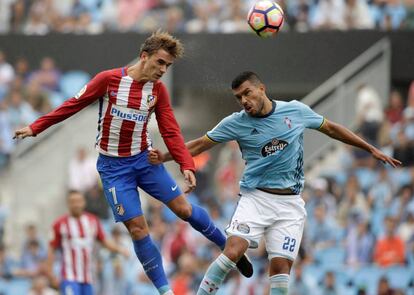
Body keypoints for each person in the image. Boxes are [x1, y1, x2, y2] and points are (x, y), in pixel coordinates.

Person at [14, 31, 251, 294]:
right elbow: (73, 104)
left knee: (184, 210)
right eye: (160, 62)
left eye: (168, 66)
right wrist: (36, 127)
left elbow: (170, 130)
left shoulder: (158, 91)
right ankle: (165, 291)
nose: (163, 70)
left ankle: (229, 249)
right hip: (114, 170)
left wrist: (187, 165)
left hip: (144, 161)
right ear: (144, 56)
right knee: (138, 229)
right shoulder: (109, 80)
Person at [149, 71, 401, 295]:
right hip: (255, 199)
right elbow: (201, 143)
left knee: (280, 268)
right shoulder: (236, 122)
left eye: (247, 93)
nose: (244, 100)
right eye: (239, 97)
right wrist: (166, 155)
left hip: (290, 204)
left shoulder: (295, 111)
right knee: (233, 250)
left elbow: (333, 129)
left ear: (262, 89)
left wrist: (371, 149)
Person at [46, 191, 128, 295]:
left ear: (84, 202)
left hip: (88, 277)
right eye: (73, 201)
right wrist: (51, 274)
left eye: (79, 201)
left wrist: (120, 249)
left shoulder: (92, 221)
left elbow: (104, 241)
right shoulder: (59, 224)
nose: (76, 204)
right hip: (69, 277)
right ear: (68, 203)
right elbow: (51, 249)